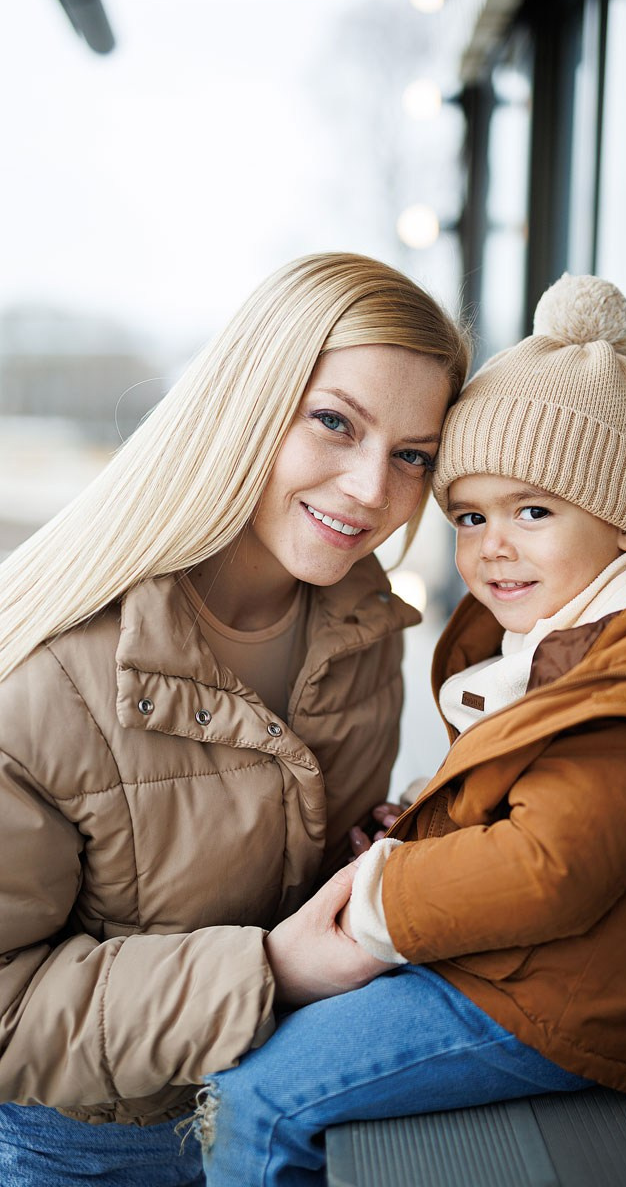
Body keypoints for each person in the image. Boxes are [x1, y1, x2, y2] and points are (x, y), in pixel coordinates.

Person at [198, 273, 626, 1187]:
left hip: (567, 1000)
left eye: (534, 511)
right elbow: (525, 797)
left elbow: (552, 866)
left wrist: (375, 897)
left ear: (624, 522)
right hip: (518, 963)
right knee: (262, 1027)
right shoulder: (556, 635)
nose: (493, 545)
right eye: (471, 517)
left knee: (258, 1096)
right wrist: (420, 826)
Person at [0, 251, 470, 1186]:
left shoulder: (367, 628)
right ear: (249, 405)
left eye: (412, 455)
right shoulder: (46, 678)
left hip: (289, 1103)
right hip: (92, 1150)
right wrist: (271, 969)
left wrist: (369, 857)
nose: (372, 489)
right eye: (335, 422)